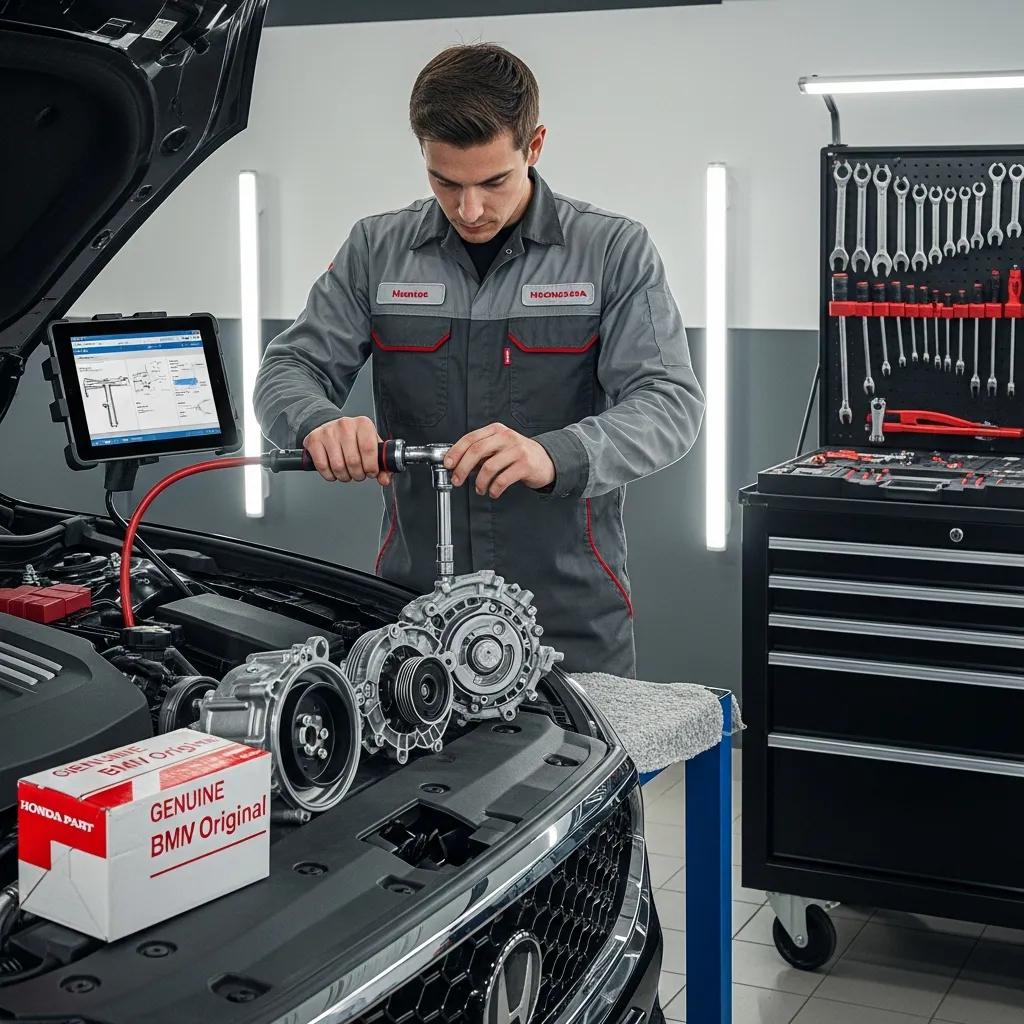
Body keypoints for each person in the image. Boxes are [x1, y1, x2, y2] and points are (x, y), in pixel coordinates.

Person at [254, 43, 704, 679]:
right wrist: (314, 422)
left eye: (493, 182)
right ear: (424, 156)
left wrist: (555, 454)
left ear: (535, 145)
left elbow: (669, 401)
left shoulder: (612, 251)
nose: (469, 210)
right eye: (446, 182)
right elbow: (289, 368)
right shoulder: (376, 250)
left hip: (567, 617)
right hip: (416, 611)